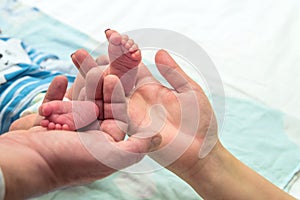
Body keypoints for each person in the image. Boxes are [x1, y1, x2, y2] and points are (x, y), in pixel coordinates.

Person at [2, 30, 295, 200]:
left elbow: (35, 60)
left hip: (44, 80)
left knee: (85, 81)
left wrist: (207, 161)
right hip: (19, 108)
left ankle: (94, 99)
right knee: (40, 113)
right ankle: (81, 112)